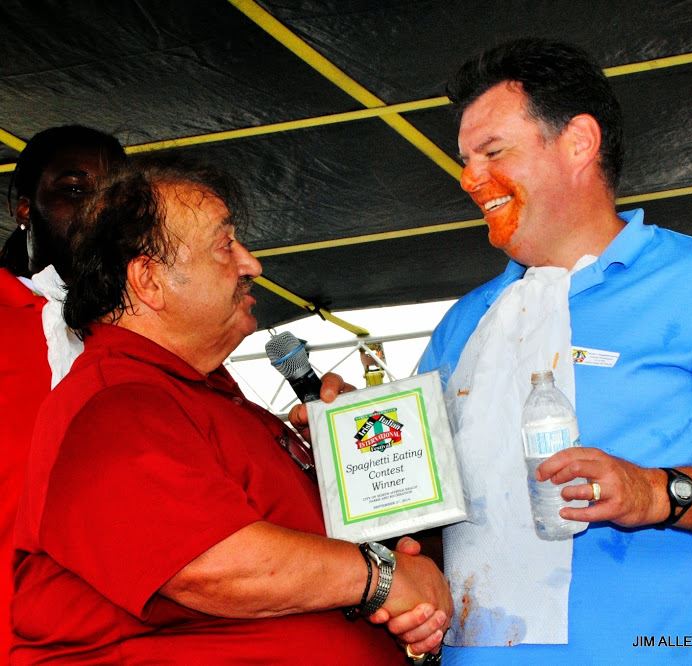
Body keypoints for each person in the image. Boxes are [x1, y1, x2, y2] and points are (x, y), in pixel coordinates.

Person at [418, 38, 692, 664]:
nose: (469, 178)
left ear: (579, 142)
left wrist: (657, 493)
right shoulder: (462, 323)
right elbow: (419, 508)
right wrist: (354, 439)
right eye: (464, 159)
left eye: (492, 152)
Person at [11, 156, 452, 664]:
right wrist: (383, 578)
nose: (252, 264)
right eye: (226, 245)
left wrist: (362, 454)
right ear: (149, 280)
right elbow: (213, 565)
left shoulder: (208, 397)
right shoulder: (116, 402)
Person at [0, 125, 126, 660]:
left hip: (127, 632)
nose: (97, 210)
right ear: (24, 207)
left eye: (114, 195)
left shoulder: (149, 338)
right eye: (75, 191)